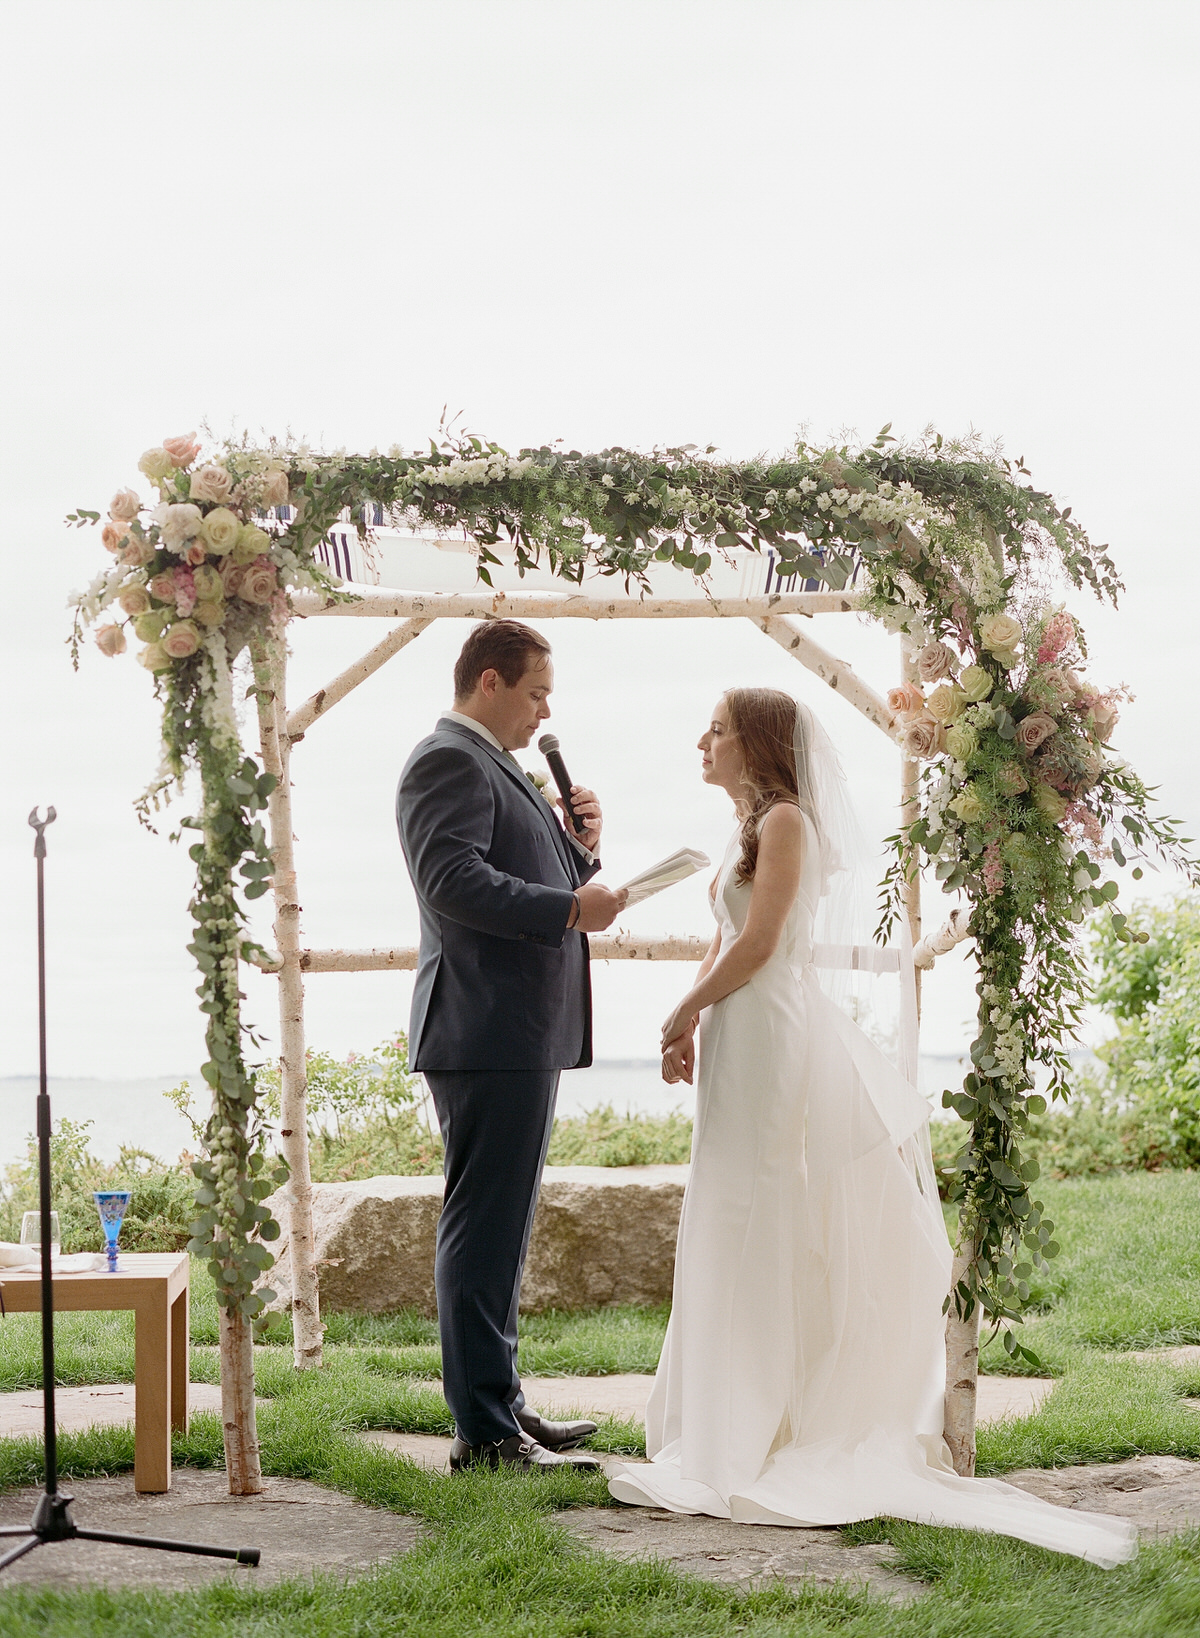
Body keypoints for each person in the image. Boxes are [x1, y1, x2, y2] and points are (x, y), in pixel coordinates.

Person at [607, 688, 1137, 1568]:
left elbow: (762, 944)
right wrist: (690, 1020)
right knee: (723, 1205)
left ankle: (757, 1423)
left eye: (719, 730)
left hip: (769, 1031)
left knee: (758, 1208)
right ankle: (718, 1418)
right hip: (735, 1031)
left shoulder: (788, 823)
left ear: (758, 744)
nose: (703, 740)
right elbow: (723, 935)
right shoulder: (748, 826)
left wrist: (681, 1009)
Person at [397, 620, 628, 1472]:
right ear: (489, 681)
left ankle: (503, 1404)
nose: (544, 713)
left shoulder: (493, 763)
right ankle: (486, 1434)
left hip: (515, 1028)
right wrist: (569, 907)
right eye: (536, 693)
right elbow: (452, 881)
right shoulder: (446, 759)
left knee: (503, 1229)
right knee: (482, 1228)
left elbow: (526, 875)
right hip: (484, 1025)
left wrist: (580, 852)